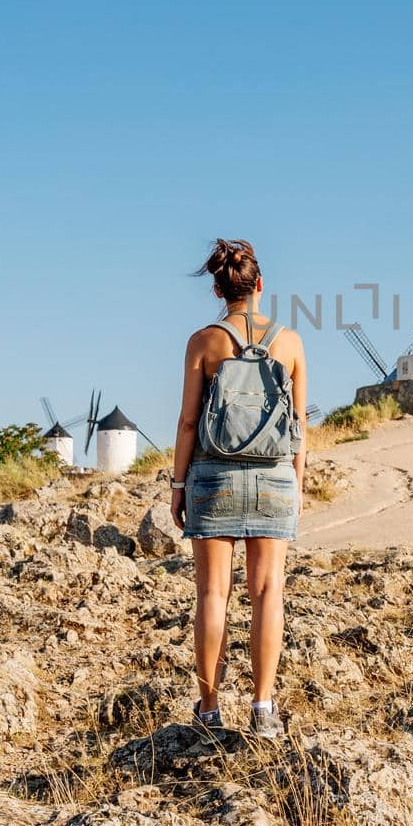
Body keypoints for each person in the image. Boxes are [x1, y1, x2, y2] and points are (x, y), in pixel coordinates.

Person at [169, 238, 306, 739]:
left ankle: (209, 709)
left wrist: (178, 484)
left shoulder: (204, 342)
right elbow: (299, 426)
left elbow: (188, 422)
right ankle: (264, 708)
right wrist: (298, 486)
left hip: (212, 477)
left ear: (218, 289)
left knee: (212, 592)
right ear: (260, 284)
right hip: (274, 478)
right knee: (269, 592)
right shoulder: (290, 343)